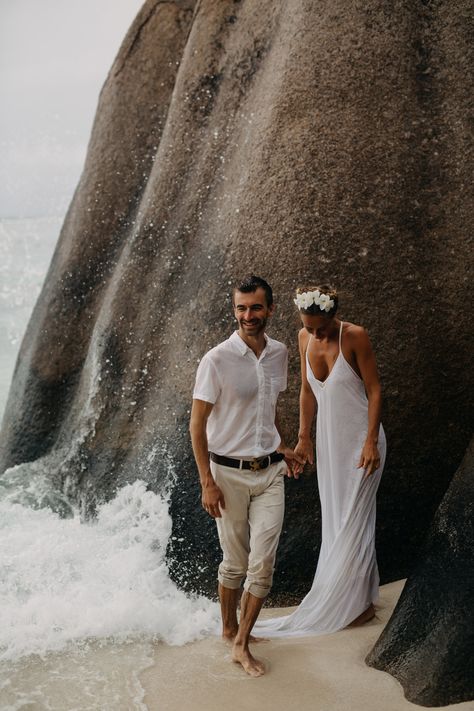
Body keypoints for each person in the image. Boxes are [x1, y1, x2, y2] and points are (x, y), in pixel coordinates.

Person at [255, 284, 386, 637]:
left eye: (321, 329)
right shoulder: (303, 337)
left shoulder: (354, 336)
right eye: (309, 327)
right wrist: (303, 437)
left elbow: (374, 389)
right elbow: (307, 390)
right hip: (330, 444)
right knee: (335, 520)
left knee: (354, 520)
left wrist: (371, 441)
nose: (315, 334)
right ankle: (360, 600)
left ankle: (357, 605)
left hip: (361, 442)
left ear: (333, 316)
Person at [189, 275, 302, 676]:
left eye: (255, 307)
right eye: (241, 308)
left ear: (270, 309)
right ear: (234, 309)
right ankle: (228, 628)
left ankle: (241, 643)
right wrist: (207, 480)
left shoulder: (280, 353)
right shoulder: (216, 359)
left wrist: (282, 446)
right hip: (227, 475)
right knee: (234, 563)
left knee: (263, 562)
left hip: (270, 471)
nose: (247, 315)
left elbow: (266, 409)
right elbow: (197, 424)